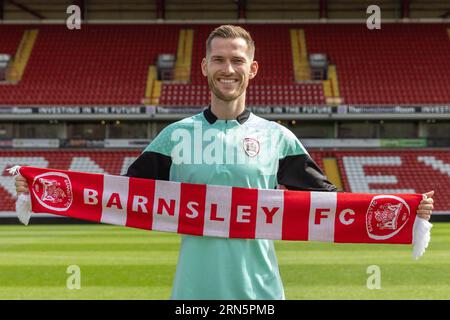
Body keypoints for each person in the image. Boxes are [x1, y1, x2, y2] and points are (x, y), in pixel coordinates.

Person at [15, 25, 435, 300]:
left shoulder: (278, 138)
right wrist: (37, 190)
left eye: (236, 60)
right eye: (218, 59)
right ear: (204, 67)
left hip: (261, 296)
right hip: (191, 296)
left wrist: (405, 211)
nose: (227, 68)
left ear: (252, 69)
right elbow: (117, 197)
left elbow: (334, 205)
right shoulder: (175, 137)